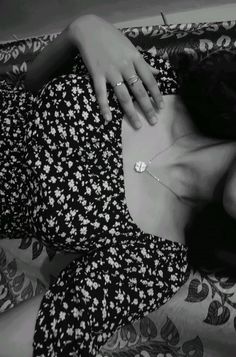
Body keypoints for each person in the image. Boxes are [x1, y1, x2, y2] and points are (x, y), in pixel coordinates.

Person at [0, 14, 235, 357]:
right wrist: (82, 30)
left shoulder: (157, 264)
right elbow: (32, 87)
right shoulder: (159, 81)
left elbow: (53, 333)